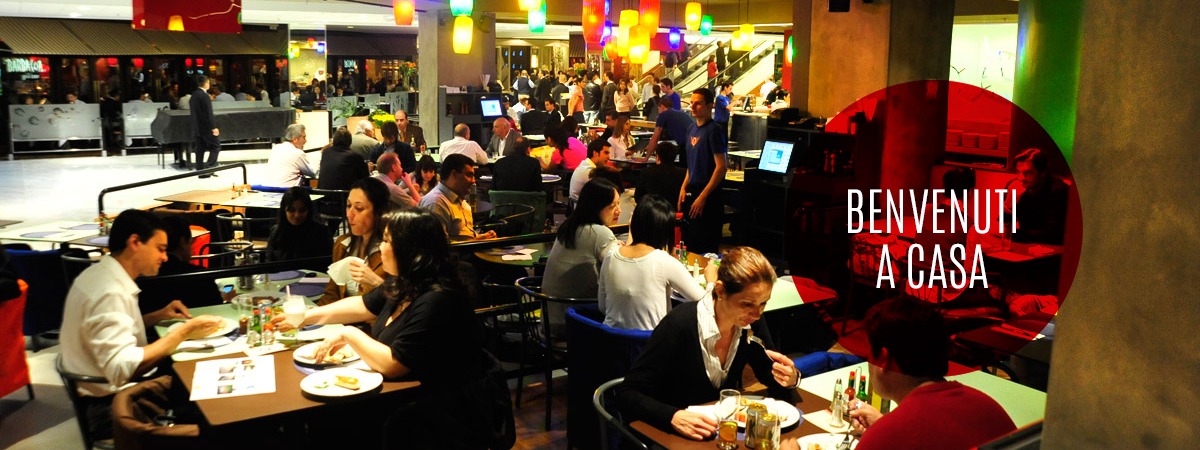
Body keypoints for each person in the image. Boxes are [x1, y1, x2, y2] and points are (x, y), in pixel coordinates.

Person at [272, 208, 515, 448]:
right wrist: (305, 317)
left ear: (410, 249)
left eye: (387, 240)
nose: (380, 247)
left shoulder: (438, 298)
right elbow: (362, 305)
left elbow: (394, 364)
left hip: (436, 416)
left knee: (329, 424)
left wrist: (348, 333)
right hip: (402, 400)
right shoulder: (405, 283)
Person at [59, 210, 222, 443]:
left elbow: (114, 331)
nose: (165, 257)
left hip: (100, 392)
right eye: (160, 249)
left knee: (195, 370)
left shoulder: (99, 274)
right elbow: (122, 369)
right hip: (109, 408)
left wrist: (158, 316)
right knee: (207, 390)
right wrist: (183, 332)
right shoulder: (109, 292)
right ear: (135, 242)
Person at [617, 246, 801, 440]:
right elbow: (627, 394)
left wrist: (790, 379)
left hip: (718, 435)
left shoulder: (750, 323)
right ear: (720, 291)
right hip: (671, 438)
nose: (757, 314)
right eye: (747, 304)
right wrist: (672, 416)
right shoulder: (679, 325)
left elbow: (770, 376)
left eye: (763, 303)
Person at [833, 298, 1017, 450]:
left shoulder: (886, 437)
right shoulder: (988, 407)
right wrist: (885, 423)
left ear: (883, 359)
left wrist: (884, 431)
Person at [599, 195, 715, 330]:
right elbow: (707, 304)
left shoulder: (611, 256)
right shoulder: (663, 261)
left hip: (611, 340)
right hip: (652, 341)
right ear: (665, 231)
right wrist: (711, 280)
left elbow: (603, 306)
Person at [542, 178, 622, 332]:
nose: (619, 210)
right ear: (595, 207)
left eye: (619, 204)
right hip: (575, 323)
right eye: (612, 206)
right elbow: (621, 268)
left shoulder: (569, 226)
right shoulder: (599, 232)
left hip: (550, 320)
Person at [319, 177, 391, 305]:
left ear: (379, 212)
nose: (349, 214)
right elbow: (331, 294)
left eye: (359, 208)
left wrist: (377, 283)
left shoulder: (389, 251)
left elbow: (402, 301)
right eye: (348, 206)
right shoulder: (342, 244)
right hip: (343, 316)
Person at [136, 215, 229, 312]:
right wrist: (225, 298)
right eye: (191, 242)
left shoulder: (144, 275)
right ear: (183, 242)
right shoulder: (200, 275)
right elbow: (216, 309)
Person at [678, 88, 728, 255]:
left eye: (698, 103)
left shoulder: (714, 130)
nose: (693, 107)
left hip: (709, 196)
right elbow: (691, 165)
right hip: (692, 191)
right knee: (689, 242)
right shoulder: (691, 129)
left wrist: (703, 196)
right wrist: (683, 187)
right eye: (692, 103)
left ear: (709, 106)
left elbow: (721, 167)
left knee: (705, 247)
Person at [418, 154, 497, 242]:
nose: (473, 181)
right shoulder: (436, 203)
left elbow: (463, 235)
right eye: (469, 175)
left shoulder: (460, 199)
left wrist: (481, 237)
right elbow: (438, 246)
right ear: (454, 174)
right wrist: (476, 241)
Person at [1012, 148, 1069, 245]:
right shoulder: (1020, 188)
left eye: (1027, 173)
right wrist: (1009, 205)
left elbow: (1051, 235)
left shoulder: (1058, 191)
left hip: (1053, 250)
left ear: (1043, 172)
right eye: (1018, 172)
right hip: (1029, 247)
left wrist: (1013, 234)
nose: (1020, 178)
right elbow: (1003, 225)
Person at [266, 187, 333, 261]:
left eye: (302, 210)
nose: (297, 215)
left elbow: (326, 263)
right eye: (292, 210)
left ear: (308, 210)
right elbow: (269, 262)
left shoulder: (322, 233)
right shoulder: (276, 232)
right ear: (284, 210)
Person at [644, 97, 695, 166]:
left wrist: (646, 158)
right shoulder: (682, 113)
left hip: (686, 146)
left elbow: (655, 138)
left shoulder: (663, 115)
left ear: (662, 107)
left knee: (683, 168)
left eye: (658, 109)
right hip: (695, 143)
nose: (658, 112)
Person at [189, 75, 220, 176]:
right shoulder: (204, 96)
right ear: (205, 83)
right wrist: (213, 127)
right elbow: (208, 113)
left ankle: (200, 171)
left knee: (200, 148)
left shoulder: (194, 95)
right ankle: (209, 167)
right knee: (216, 146)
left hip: (197, 127)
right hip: (206, 127)